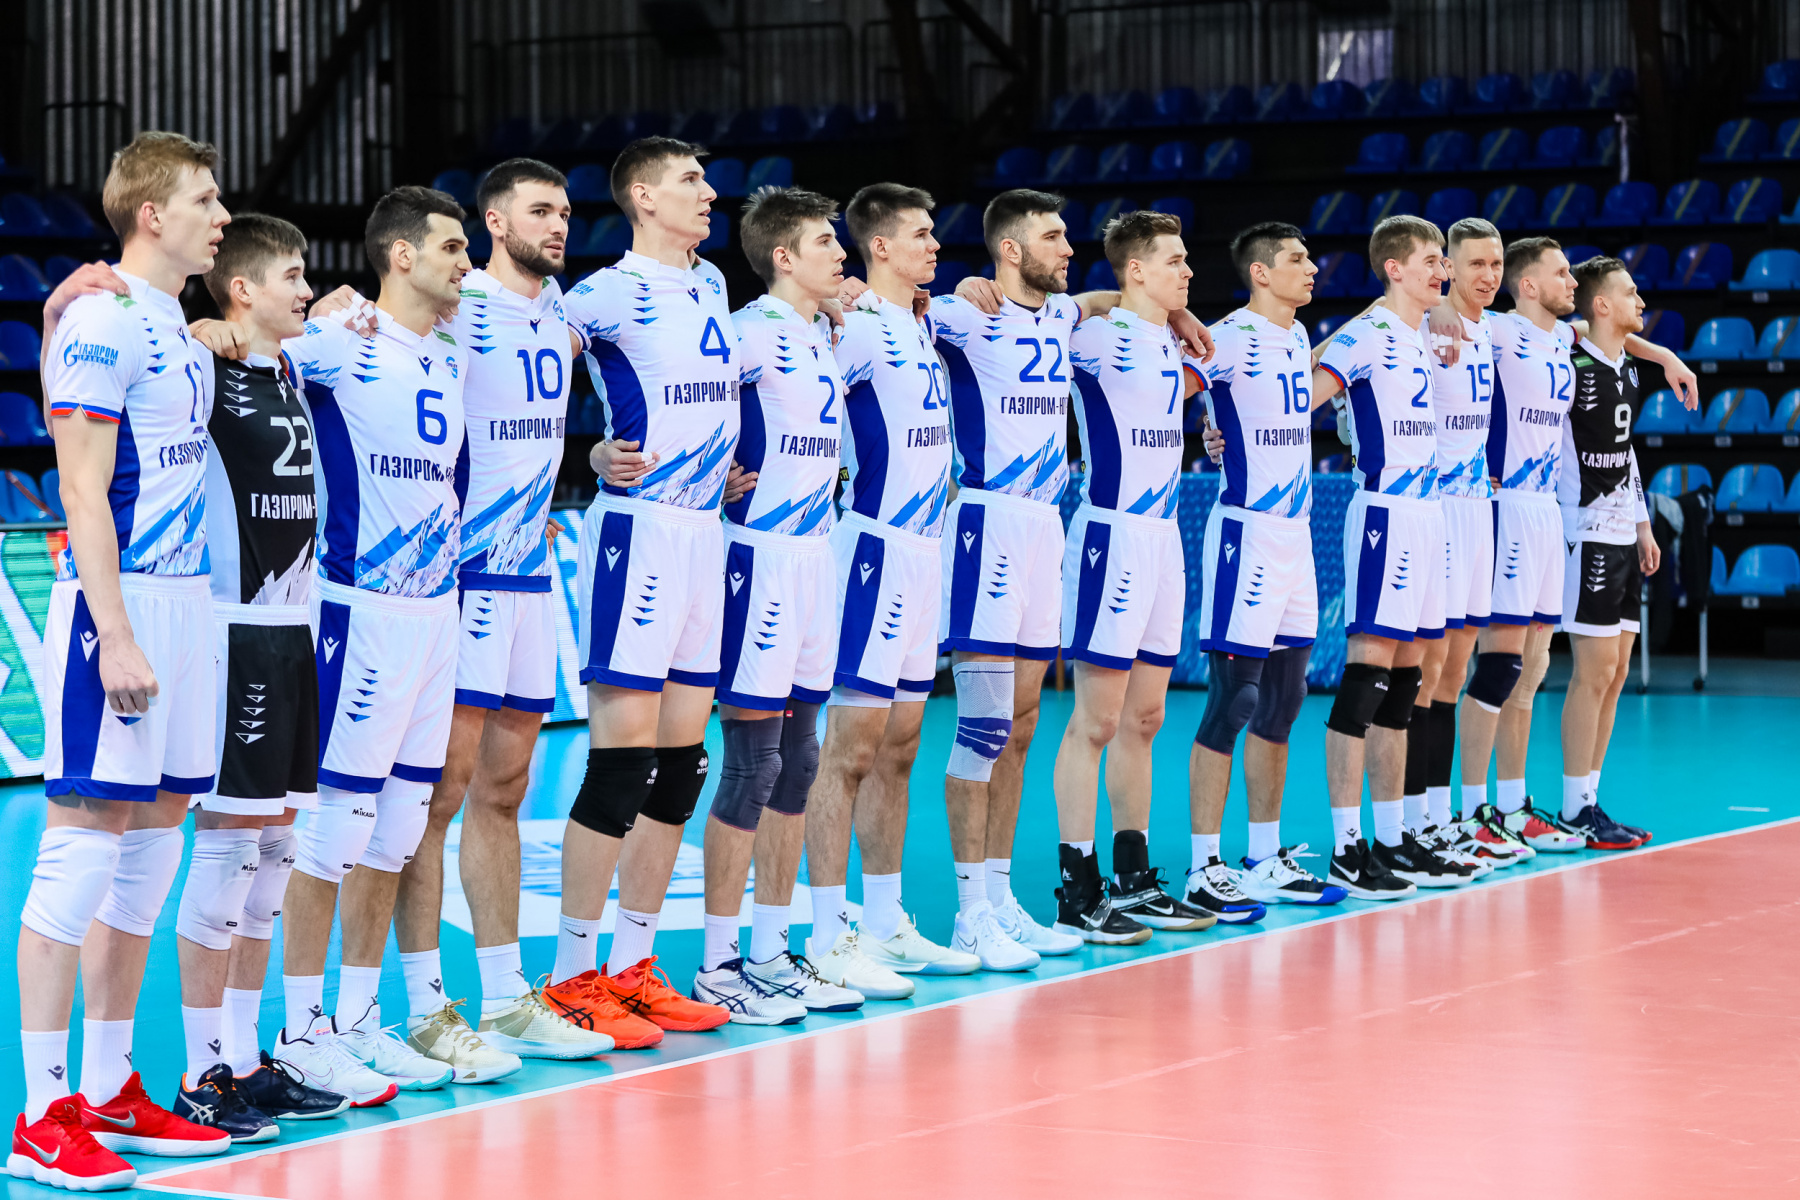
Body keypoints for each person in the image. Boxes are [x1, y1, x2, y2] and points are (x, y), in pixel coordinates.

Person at [13, 131, 235, 1193]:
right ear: (153, 214)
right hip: (124, 604)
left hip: (187, 606)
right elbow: (81, 486)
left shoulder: (171, 328)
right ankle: (41, 1113)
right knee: (78, 854)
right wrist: (116, 633)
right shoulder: (102, 319)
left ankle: (105, 1089)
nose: (222, 217)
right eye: (206, 200)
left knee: (150, 852)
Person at [375, 158, 623, 1062]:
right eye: (540, 211)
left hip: (528, 576)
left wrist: (590, 459)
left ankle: (509, 995)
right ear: (493, 222)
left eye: (565, 211)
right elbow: (364, 323)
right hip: (462, 578)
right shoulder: (457, 299)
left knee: (506, 791)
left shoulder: (559, 308)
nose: (559, 225)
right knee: (435, 797)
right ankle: (423, 1006)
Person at [274, 185, 482, 1093]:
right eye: (451, 247)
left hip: (437, 617)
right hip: (359, 612)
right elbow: (243, 354)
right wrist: (222, 329)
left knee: (398, 831)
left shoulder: (448, 358)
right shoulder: (338, 344)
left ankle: (358, 1020)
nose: (465, 262)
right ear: (401, 255)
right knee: (332, 834)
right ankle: (298, 1030)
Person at [551, 136, 734, 1034]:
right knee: (621, 765)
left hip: (706, 534)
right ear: (643, 198)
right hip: (642, 531)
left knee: (682, 767)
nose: (709, 193)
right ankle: (570, 976)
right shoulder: (605, 292)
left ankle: (632, 965)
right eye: (690, 181)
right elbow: (527, 375)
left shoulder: (714, 284)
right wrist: (585, 454)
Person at [175, 214, 351, 1133]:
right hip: (234, 631)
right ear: (242, 288)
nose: (306, 288)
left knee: (276, 851)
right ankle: (201, 1073)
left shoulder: (290, 365)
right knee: (226, 852)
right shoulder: (204, 363)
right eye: (291, 275)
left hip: (294, 628)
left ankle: (246, 1058)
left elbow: (350, 314)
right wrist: (201, 326)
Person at [682, 185, 866, 1020]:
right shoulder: (748, 330)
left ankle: (770, 951)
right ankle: (719, 965)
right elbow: (684, 394)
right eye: (827, 242)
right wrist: (685, 464)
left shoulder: (821, 331)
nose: (842, 254)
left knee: (800, 760)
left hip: (814, 557)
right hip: (757, 559)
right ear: (784, 256)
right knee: (752, 764)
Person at [802, 181, 979, 990]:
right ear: (879, 247)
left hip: (924, 553)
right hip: (871, 551)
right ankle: (826, 933)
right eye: (920, 234)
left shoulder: (921, 322)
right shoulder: (857, 324)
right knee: (850, 750)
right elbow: (791, 396)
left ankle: (883, 920)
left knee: (902, 746)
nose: (935, 245)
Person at [1051, 208, 1220, 942]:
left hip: (1163, 539)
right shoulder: (1092, 336)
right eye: (1174, 260)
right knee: (1095, 720)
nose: (1189, 270)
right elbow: (1034, 316)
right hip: (1110, 536)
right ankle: (1076, 887)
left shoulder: (1179, 342)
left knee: (1145, 720)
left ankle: (1133, 877)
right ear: (1138, 269)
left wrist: (1177, 319)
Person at [1184, 220, 1348, 917]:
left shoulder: (1296, 337)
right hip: (1245, 535)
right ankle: (1202, 868)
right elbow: (1170, 387)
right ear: (1260, 272)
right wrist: (1205, 422)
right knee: (1234, 702)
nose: (1311, 268)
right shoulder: (1225, 337)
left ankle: (1262, 857)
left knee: (1284, 700)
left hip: (1295, 538)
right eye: (1297, 259)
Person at [1312, 215, 1477, 896]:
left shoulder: (1420, 332)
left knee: (1408, 683)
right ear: (1394, 269)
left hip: (1429, 515)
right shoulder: (1367, 333)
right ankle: (1346, 848)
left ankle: (1392, 837)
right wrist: (1226, 427)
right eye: (1432, 260)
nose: (1443, 270)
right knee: (1366, 679)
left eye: (1444, 260)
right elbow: (1303, 394)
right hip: (1384, 514)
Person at [1405, 218, 1527, 869]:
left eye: (1496, 264)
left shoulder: (1496, 328)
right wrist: (1436, 312)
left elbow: (1573, 334)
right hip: (1438, 508)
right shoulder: (1424, 325)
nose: (1489, 275)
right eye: (1475, 264)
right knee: (1427, 670)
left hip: (1480, 509)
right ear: (1448, 266)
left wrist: (1666, 356)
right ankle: (1413, 821)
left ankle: (1440, 815)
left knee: (1455, 670)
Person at [1557, 256, 1665, 848]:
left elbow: (1625, 454)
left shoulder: (1627, 368)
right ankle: (1574, 807)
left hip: (1624, 530)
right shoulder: (1570, 363)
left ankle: (1591, 801)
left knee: (1618, 673)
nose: (1640, 301)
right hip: (1588, 530)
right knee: (1593, 672)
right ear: (1601, 305)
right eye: (1630, 292)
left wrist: (1644, 525)